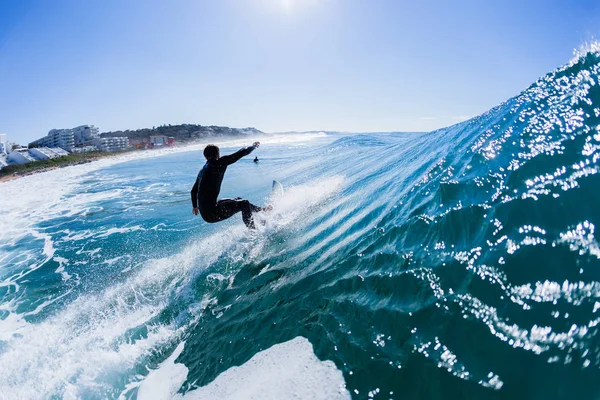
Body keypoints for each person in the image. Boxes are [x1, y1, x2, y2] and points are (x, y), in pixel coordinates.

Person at [191, 142, 269, 229]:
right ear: (218, 154)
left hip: (206, 214)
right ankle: (253, 232)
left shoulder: (202, 170)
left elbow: (193, 191)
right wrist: (253, 146)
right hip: (213, 213)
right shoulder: (218, 163)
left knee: (239, 200)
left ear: (205, 156)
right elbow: (241, 153)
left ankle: (262, 211)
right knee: (244, 203)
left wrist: (195, 206)